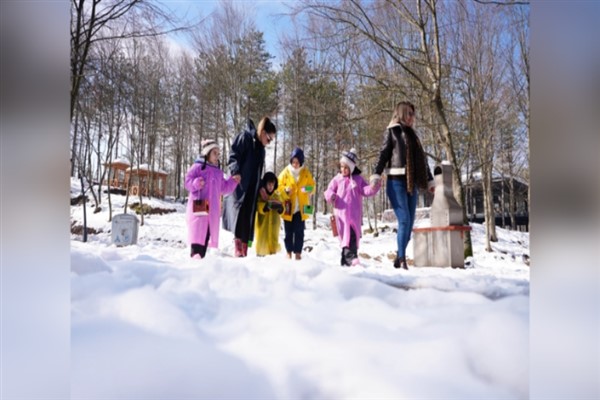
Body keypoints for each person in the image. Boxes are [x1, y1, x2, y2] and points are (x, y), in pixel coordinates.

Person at [371, 101, 434, 269]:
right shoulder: (392, 132)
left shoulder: (414, 136)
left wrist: (429, 181)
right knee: (404, 220)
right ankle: (402, 258)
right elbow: (383, 154)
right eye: (409, 114)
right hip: (396, 181)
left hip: (412, 183)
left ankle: (399, 257)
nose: (412, 117)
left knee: (409, 223)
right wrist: (376, 174)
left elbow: (423, 161)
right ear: (401, 114)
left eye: (413, 114)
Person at [222, 117, 277, 257]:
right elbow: (233, 155)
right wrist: (235, 171)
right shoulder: (245, 138)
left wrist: (261, 187)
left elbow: (258, 171)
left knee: (248, 217)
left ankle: (245, 249)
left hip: (253, 188)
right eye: (269, 139)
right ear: (263, 132)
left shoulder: (262, 150)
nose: (269, 142)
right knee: (239, 216)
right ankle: (237, 247)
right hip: (240, 184)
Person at [324, 148, 381, 266]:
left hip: (354, 215)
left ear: (351, 167)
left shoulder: (358, 179)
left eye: (346, 167)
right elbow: (328, 191)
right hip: (341, 214)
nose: (343, 170)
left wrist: (374, 186)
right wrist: (332, 196)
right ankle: (350, 258)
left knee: (353, 236)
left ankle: (348, 259)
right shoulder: (337, 179)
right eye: (341, 167)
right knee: (345, 236)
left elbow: (366, 190)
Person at [185, 139, 239, 259]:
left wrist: (233, 181)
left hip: (212, 211)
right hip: (199, 210)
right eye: (214, 153)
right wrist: (195, 183)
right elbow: (187, 182)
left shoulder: (218, 172)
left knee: (206, 236)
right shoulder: (197, 167)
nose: (217, 156)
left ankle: (200, 260)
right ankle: (194, 261)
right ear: (207, 153)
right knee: (197, 237)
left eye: (218, 153)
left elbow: (224, 188)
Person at [277, 147, 316, 260]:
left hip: (301, 208)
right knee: (288, 232)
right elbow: (278, 186)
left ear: (301, 162)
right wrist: (286, 190)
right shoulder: (285, 172)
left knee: (299, 232)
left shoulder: (306, 173)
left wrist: (305, 189)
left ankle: (298, 252)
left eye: (297, 162)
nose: (295, 164)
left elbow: (313, 187)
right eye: (293, 162)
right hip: (288, 207)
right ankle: (288, 251)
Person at [254, 172, 284, 256]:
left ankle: (273, 253)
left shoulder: (277, 195)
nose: (271, 187)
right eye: (269, 184)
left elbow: (283, 206)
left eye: (273, 184)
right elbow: (257, 206)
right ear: (265, 184)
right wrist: (264, 207)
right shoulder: (261, 195)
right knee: (262, 246)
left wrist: (281, 209)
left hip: (274, 228)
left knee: (273, 250)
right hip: (262, 228)